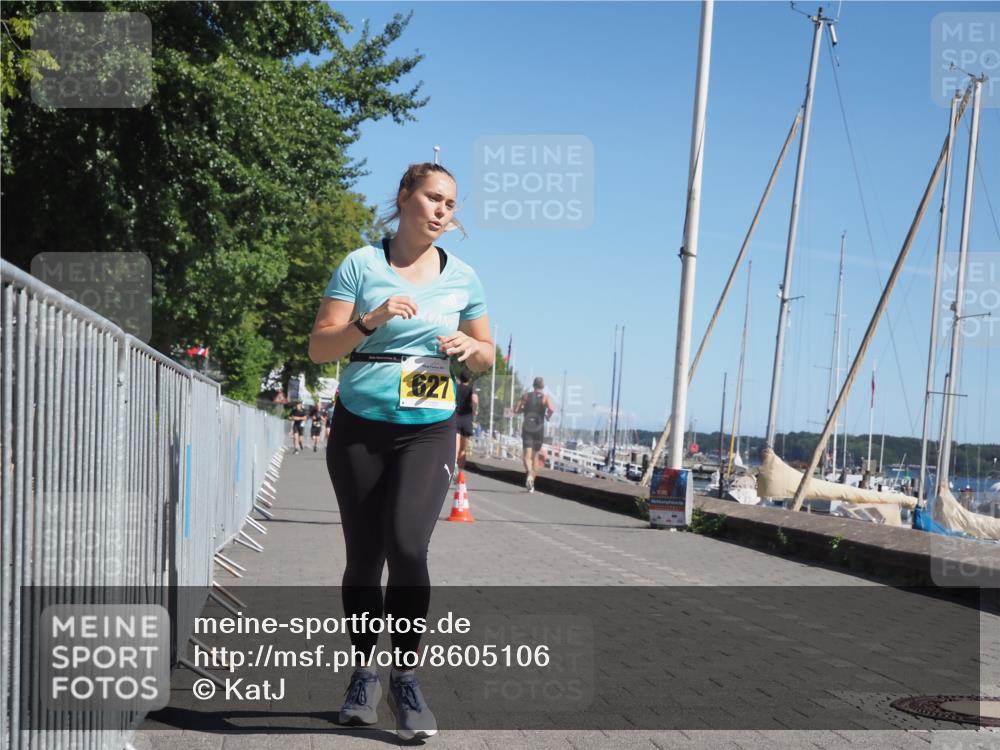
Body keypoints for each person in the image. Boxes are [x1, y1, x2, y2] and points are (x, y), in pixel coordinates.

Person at [308, 162, 493, 740]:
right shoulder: (361, 264)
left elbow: (488, 356)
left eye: (451, 204)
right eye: (434, 198)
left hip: (429, 426)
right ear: (405, 197)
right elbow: (319, 348)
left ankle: (406, 679)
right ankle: (364, 674)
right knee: (364, 557)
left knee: (408, 546)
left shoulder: (463, 276)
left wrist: (471, 347)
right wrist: (370, 320)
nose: (443, 211)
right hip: (361, 425)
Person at [514, 377, 555, 492]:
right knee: (535, 456)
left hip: (527, 427)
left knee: (527, 456)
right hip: (539, 429)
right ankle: (531, 481)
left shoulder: (526, 396)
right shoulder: (546, 398)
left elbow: (516, 409)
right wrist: (547, 416)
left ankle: (529, 476)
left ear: (533, 385)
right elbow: (552, 408)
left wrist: (522, 410)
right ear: (543, 386)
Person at [454, 371, 478, 474]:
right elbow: (475, 400)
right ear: (469, 380)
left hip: (455, 418)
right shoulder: (471, 389)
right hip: (466, 419)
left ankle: (453, 465)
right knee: (463, 450)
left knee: (456, 446)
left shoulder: (455, 388)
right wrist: (474, 411)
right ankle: (460, 472)